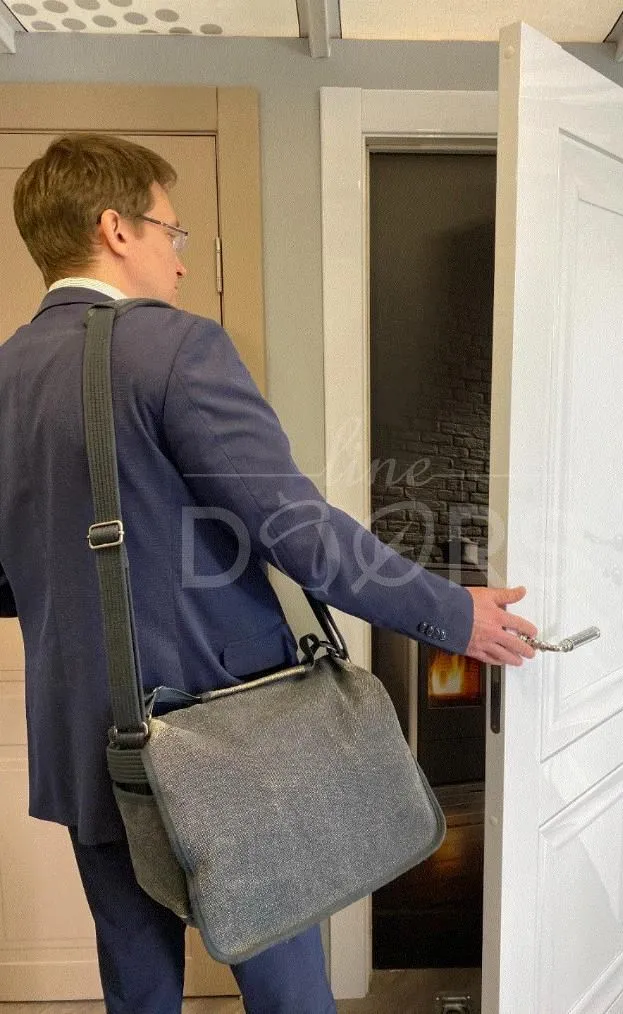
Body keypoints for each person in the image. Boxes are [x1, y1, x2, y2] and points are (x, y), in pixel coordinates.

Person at [0, 133, 536, 1014]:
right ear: (116, 229)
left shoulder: (8, 372)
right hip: (222, 739)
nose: (180, 259)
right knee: (285, 984)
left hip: (81, 737)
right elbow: (298, 532)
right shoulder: (174, 348)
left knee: (136, 983)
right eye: (171, 232)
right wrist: (449, 611)